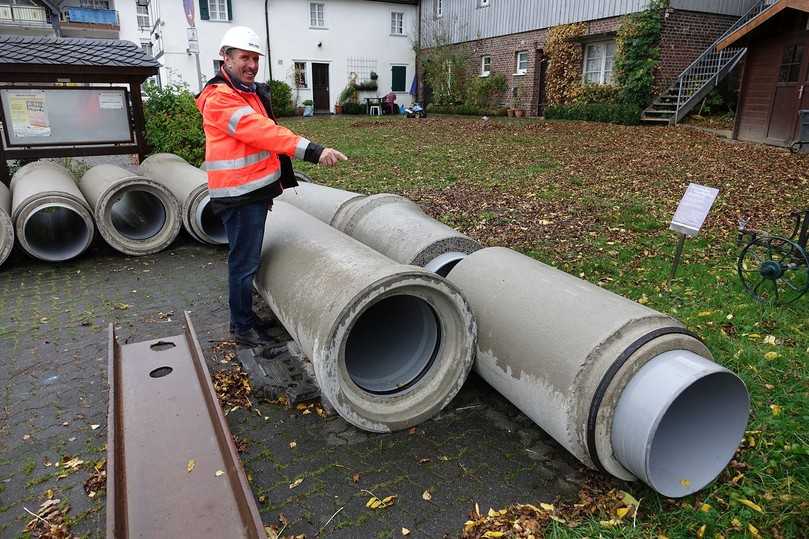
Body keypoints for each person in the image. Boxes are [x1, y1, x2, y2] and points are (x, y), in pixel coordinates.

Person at [196, 26, 347, 347]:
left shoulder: (245, 92)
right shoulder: (221, 98)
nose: (251, 65)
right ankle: (242, 328)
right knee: (244, 262)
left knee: (247, 259)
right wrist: (314, 151)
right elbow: (263, 132)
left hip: (253, 191)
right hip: (239, 196)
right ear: (226, 58)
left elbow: (268, 131)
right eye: (244, 58)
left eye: (255, 58)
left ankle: (246, 318)